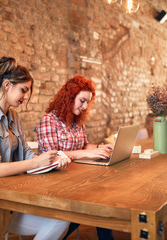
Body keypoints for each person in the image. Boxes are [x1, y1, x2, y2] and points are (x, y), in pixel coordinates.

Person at [0, 57, 70, 240]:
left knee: (62, 217)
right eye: (23, 90)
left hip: (10, 195)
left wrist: (50, 161)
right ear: (7, 85)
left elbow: (27, 154)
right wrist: (34, 162)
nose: (26, 97)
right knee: (59, 219)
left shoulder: (13, 116)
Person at [36, 74, 114, 240]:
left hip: (76, 177)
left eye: (88, 102)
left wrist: (100, 148)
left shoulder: (77, 121)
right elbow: (51, 157)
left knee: (100, 199)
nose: (85, 106)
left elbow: (85, 145)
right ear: (70, 97)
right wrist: (85, 153)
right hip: (56, 182)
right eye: (82, 101)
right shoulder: (49, 121)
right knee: (96, 203)